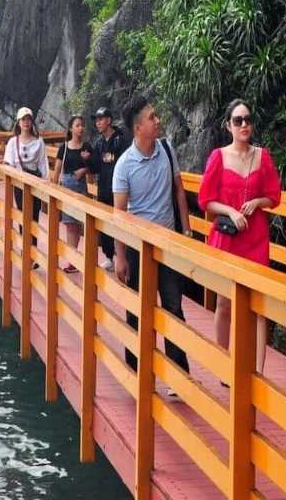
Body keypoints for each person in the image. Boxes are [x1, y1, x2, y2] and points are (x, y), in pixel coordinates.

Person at [197, 99, 282, 374]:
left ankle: (257, 372)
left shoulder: (262, 156)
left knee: (258, 306)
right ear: (228, 126)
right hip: (228, 238)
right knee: (224, 303)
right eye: (238, 120)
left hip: (255, 237)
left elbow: (275, 197)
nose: (244, 125)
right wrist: (231, 211)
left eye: (247, 119)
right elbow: (205, 200)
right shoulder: (219, 156)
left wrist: (257, 202)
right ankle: (224, 365)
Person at [112, 96, 191, 382]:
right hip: (138, 247)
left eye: (156, 116)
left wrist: (186, 231)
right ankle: (136, 372)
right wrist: (120, 256)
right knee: (138, 310)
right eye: (151, 117)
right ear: (137, 128)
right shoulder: (124, 165)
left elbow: (179, 191)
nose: (157, 121)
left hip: (168, 244)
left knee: (173, 307)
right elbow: (119, 215)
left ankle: (178, 376)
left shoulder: (167, 149)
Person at [3, 107, 49, 268]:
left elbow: (43, 164)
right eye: (23, 119)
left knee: (34, 217)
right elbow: (8, 163)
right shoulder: (12, 142)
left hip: (35, 184)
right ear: (18, 122)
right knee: (23, 216)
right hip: (19, 184)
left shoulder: (39, 142)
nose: (26, 122)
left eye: (28, 119)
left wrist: (46, 184)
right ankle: (25, 252)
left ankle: (33, 254)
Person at [51, 115, 93, 273]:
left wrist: (84, 168)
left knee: (77, 224)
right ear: (71, 128)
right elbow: (57, 169)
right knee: (69, 224)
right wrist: (53, 188)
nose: (81, 128)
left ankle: (73, 259)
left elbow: (94, 166)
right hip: (67, 187)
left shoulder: (87, 147)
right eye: (77, 125)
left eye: (82, 125)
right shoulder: (64, 147)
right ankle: (72, 260)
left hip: (81, 187)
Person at [89, 106, 127, 271]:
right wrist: (87, 159)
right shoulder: (99, 143)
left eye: (101, 119)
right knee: (104, 224)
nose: (98, 123)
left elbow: (124, 163)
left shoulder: (120, 140)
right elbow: (95, 167)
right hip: (103, 188)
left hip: (119, 191)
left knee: (120, 223)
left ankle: (123, 258)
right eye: (96, 120)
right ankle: (109, 257)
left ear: (109, 120)